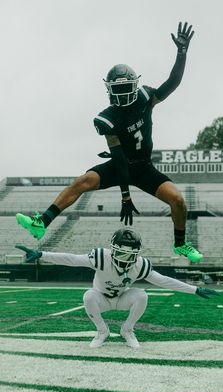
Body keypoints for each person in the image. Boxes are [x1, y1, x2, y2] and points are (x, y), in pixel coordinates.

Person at [16, 21, 203, 263]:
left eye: (126, 87)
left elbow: (173, 82)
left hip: (143, 166)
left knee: (178, 200)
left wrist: (182, 52)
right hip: (120, 165)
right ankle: (42, 222)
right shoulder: (107, 117)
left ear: (134, 85)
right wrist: (125, 196)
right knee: (82, 181)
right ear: (108, 90)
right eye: (119, 88)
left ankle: (180, 244)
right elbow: (119, 158)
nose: (123, 93)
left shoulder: (146, 98)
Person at [16, 228, 219, 349]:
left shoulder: (140, 265)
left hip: (122, 299)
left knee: (141, 295)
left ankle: (127, 330)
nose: (126, 259)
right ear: (112, 250)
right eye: (121, 253)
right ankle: (102, 332)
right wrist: (42, 254)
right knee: (88, 296)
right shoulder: (100, 257)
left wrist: (194, 289)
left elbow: (163, 280)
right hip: (101, 299)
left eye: (130, 255)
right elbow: (72, 259)